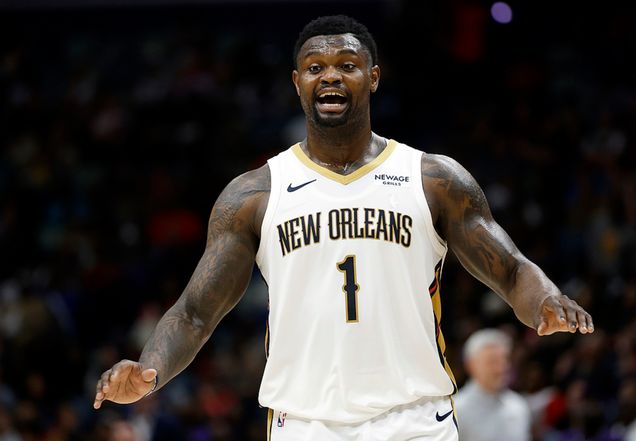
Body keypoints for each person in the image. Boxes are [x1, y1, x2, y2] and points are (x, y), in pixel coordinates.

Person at [92, 15, 594, 440]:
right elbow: (195, 313)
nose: (330, 76)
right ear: (297, 82)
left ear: (372, 77)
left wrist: (545, 300)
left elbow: (510, 270)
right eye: (316, 68)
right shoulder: (254, 194)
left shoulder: (433, 179)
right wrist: (150, 370)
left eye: (347, 66)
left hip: (414, 419)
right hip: (305, 422)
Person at [454, 329, 531, 441]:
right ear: (471, 365)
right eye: (492, 361)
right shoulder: (456, 410)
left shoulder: (518, 406)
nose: (501, 368)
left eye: (504, 360)